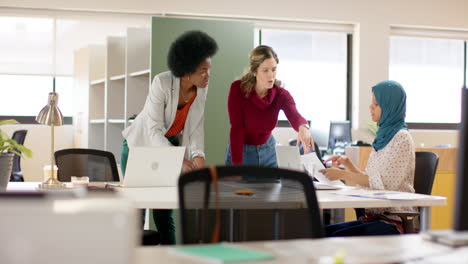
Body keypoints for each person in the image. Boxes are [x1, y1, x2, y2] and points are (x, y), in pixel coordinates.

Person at [120, 30, 218, 244]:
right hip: (139, 147)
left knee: (164, 213)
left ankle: (170, 258)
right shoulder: (162, 82)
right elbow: (153, 129)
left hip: (169, 146)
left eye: (208, 70)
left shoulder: (201, 88)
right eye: (203, 71)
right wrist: (179, 159)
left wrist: (198, 155)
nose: (208, 75)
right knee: (136, 212)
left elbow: (195, 126)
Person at [320, 80, 415, 236]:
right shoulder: (383, 138)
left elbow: (385, 185)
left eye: (376, 104)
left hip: (394, 222)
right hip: (374, 219)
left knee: (331, 237)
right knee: (320, 233)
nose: (370, 107)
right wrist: (348, 164)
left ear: (389, 106)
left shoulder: (401, 138)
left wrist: (343, 174)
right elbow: (374, 181)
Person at [225, 45, 315, 167]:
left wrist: (303, 127)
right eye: (265, 70)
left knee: (273, 186)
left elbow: (295, 115)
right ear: (254, 71)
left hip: (269, 152)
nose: (271, 75)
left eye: (273, 69)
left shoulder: (281, 94)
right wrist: (236, 166)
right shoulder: (238, 90)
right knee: (241, 186)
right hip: (242, 152)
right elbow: (236, 129)